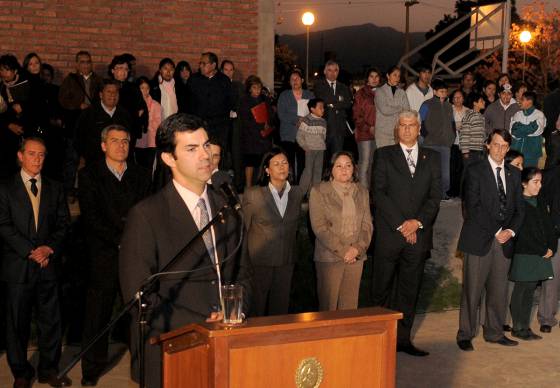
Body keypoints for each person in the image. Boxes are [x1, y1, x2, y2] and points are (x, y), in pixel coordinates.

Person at [119, 113, 251, 387]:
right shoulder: (147, 215)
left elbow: (243, 274)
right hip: (173, 349)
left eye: (205, 145)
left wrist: (235, 311)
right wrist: (201, 324)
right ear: (168, 158)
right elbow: (139, 297)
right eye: (191, 148)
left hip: (226, 345)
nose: (204, 155)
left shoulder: (227, 206)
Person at [78, 125, 151, 386]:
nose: (121, 145)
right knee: (98, 315)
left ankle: (142, 367)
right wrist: (120, 240)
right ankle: (91, 369)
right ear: (103, 145)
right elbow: (91, 217)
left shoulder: (141, 175)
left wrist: (132, 243)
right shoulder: (89, 175)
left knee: (137, 314)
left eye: (125, 141)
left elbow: (145, 213)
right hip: (104, 255)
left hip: (134, 256)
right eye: (115, 141)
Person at [0, 138, 71, 388]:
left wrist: (48, 248)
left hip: (48, 266)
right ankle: (21, 372)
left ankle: (49, 370)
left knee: (51, 321)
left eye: (41, 155)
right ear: (21, 156)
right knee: (17, 324)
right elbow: (4, 226)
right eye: (32, 154)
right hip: (19, 267)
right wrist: (31, 251)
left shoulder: (55, 187)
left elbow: (63, 224)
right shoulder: (5, 187)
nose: (37, 159)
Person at [371, 110, 441, 356]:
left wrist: (417, 223)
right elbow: (378, 194)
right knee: (382, 290)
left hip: (418, 237)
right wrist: (403, 225)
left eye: (412, 125)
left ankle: (403, 341)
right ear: (396, 129)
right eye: (403, 125)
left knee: (409, 291)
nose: (408, 129)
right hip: (390, 236)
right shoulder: (383, 155)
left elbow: (434, 197)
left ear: (419, 129)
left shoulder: (431, 157)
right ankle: (378, 342)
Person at [456, 129, 524, 352]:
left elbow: (520, 210)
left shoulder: (514, 174)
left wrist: (511, 231)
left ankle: (495, 332)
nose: (500, 150)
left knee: (499, 290)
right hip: (479, 239)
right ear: (487, 145)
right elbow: (472, 206)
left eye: (505, 146)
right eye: (496, 145)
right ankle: (466, 333)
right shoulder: (474, 170)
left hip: (504, 242)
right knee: (472, 291)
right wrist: (497, 230)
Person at [242, 148, 303, 316]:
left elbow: (295, 228)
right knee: (257, 308)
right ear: (267, 170)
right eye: (276, 164)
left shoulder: (296, 193)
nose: (282, 167)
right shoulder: (254, 194)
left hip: (286, 260)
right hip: (260, 262)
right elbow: (244, 228)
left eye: (284, 163)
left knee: (281, 309)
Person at [310, 151, 373, 311]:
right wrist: (345, 251)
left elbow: (367, 226)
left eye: (348, 165)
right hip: (330, 257)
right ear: (331, 169)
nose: (344, 169)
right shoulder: (318, 191)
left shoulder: (362, 191)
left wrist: (357, 249)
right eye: (339, 166)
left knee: (350, 309)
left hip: (356, 257)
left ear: (354, 168)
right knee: (328, 309)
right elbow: (320, 227)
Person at [509, 167, 556, 340]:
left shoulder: (540, 201)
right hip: (526, 253)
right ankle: (518, 327)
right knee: (521, 291)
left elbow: (549, 225)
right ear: (524, 183)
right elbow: (523, 234)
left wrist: (552, 246)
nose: (539, 186)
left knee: (529, 292)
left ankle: (525, 327)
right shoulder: (519, 203)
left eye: (540, 182)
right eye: (535, 182)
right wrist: (542, 249)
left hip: (541, 253)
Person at [58, 51, 103, 194]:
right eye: (82, 62)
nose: (85, 64)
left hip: (93, 125)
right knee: (72, 159)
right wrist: (78, 105)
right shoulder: (70, 80)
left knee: (93, 161)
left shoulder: (99, 80)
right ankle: (68, 191)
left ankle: (91, 191)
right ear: (77, 64)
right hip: (75, 125)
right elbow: (63, 100)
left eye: (88, 61)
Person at [0, 54, 41, 181]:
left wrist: (23, 107)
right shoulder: (1, 88)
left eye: (7, 70)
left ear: (15, 70)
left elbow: (37, 107)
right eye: (1, 70)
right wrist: (9, 124)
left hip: (29, 129)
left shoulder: (29, 83)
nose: (4, 73)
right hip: (8, 132)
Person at [75, 79, 132, 166]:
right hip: (94, 164)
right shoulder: (88, 114)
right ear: (101, 95)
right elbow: (79, 139)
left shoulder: (125, 115)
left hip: (119, 164)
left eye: (116, 92)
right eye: (109, 92)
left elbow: (131, 138)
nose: (113, 95)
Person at [187, 52, 233, 155]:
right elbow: (188, 103)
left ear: (213, 65)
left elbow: (229, 102)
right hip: (198, 125)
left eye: (204, 63)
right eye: (200, 63)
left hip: (219, 127)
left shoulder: (224, 81)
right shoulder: (194, 79)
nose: (201, 66)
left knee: (217, 153)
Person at [419, 78, 454, 199]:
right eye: (441, 91)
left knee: (445, 172)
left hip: (445, 143)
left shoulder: (449, 106)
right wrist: (426, 136)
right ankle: (430, 194)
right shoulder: (426, 104)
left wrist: (451, 138)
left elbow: (452, 124)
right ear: (435, 91)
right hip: (430, 143)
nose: (444, 93)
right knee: (431, 171)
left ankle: (443, 193)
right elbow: (421, 123)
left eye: (445, 91)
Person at [277, 69, 314, 182]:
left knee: (303, 162)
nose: (295, 81)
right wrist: (296, 120)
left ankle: (302, 187)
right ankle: (289, 187)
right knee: (288, 163)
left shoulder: (310, 95)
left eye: (297, 78)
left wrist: (306, 120)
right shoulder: (284, 95)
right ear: (289, 82)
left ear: (302, 80)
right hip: (288, 134)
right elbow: (281, 114)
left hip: (305, 135)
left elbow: (316, 112)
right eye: (292, 79)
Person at [312, 60, 353, 157]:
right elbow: (324, 98)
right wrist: (339, 99)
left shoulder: (343, 87)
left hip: (339, 130)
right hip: (322, 129)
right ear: (325, 72)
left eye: (335, 70)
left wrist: (332, 104)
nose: (332, 73)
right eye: (329, 70)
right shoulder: (319, 85)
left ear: (338, 72)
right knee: (321, 160)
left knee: (336, 159)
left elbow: (347, 103)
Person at [239, 75, 273, 188]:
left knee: (263, 162)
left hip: (264, 137)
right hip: (250, 136)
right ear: (249, 88)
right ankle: (248, 187)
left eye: (259, 87)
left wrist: (268, 123)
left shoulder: (265, 99)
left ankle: (262, 185)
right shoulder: (245, 100)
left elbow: (270, 114)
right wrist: (258, 128)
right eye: (254, 87)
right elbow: (245, 120)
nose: (257, 90)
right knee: (250, 162)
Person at [538, 162, 560, 333]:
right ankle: (546, 318)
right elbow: (540, 201)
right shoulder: (552, 173)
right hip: (555, 233)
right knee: (551, 276)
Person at [108, 55, 146, 143]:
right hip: (111, 129)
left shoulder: (133, 88)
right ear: (112, 70)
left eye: (126, 69)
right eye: (120, 68)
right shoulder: (106, 86)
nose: (124, 71)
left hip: (129, 130)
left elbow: (141, 109)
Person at [352, 68, 380, 187]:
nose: (374, 79)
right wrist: (369, 127)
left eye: (376, 76)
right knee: (365, 162)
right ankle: (363, 193)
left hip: (379, 133)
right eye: (371, 76)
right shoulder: (361, 93)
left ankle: (369, 194)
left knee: (373, 163)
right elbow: (356, 115)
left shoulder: (382, 92)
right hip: (364, 133)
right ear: (367, 78)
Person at [296, 98, 327, 195]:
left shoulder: (323, 121)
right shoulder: (306, 120)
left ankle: (314, 195)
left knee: (318, 172)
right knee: (308, 172)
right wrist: (305, 146)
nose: (323, 109)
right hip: (310, 150)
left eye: (323, 107)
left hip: (320, 149)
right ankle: (300, 194)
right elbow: (299, 136)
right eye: (320, 107)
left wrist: (321, 144)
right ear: (312, 109)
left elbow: (324, 136)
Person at [374, 66, 410, 148]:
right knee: (384, 158)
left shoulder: (402, 92)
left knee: (396, 159)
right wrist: (400, 108)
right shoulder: (380, 91)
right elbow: (385, 110)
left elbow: (407, 111)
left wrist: (395, 109)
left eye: (398, 76)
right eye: (395, 75)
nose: (397, 78)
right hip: (383, 133)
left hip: (398, 132)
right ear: (388, 75)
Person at [510, 91, 546, 167]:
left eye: (522, 99)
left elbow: (536, 130)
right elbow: (513, 131)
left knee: (529, 176)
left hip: (532, 154)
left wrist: (520, 128)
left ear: (529, 101)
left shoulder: (539, 115)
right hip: (516, 153)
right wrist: (529, 128)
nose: (519, 101)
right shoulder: (517, 114)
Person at [135, 76, 162, 170]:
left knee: (148, 168)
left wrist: (146, 120)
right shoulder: (134, 104)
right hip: (137, 141)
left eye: (147, 88)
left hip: (151, 141)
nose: (145, 91)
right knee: (138, 167)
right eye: (142, 88)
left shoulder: (156, 105)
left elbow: (158, 124)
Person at [449, 89, 468, 197]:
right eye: (455, 97)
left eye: (460, 97)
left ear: (463, 98)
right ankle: (452, 191)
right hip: (451, 143)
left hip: (464, 144)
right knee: (451, 168)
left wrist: (457, 125)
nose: (457, 99)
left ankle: (461, 192)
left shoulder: (468, 111)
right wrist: (459, 125)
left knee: (462, 168)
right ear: (452, 99)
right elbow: (448, 125)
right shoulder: (448, 110)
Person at [459, 93, 487, 168]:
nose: (484, 102)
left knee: (477, 174)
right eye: (481, 101)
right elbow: (464, 134)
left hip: (480, 151)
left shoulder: (481, 117)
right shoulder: (469, 116)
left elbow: (482, 134)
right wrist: (465, 152)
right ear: (475, 103)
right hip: (471, 151)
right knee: (469, 173)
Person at [543, 85, 560, 168]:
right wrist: (554, 131)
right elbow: (549, 118)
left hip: (552, 134)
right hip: (554, 136)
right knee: (553, 163)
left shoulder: (549, 97)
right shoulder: (552, 98)